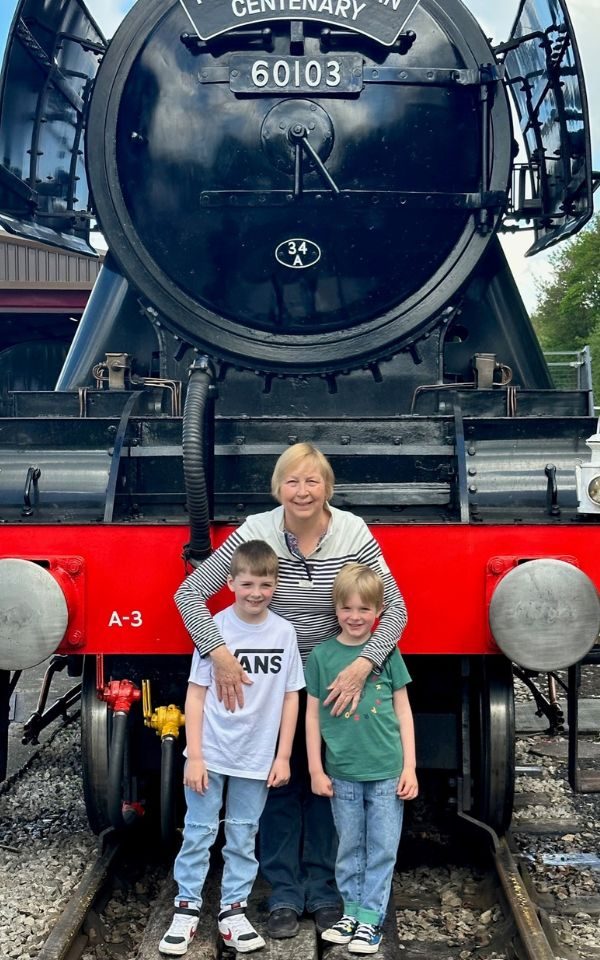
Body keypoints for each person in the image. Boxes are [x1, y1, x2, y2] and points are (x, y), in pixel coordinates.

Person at [174, 442, 408, 938]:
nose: (302, 491)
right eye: (292, 481)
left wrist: (364, 663)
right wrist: (218, 652)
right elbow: (189, 591)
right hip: (268, 681)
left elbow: (397, 608)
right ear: (277, 487)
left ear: (328, 487)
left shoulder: (352, 530)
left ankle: (325, 890)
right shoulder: (257, 531)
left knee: (330, 785)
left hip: (333, 679)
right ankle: (281, 890)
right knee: (275, 784)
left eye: (312, 481)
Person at [160, 540, 304, 956]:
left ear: (276, 584)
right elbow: (196, 693)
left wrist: (281, 755)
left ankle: (232, 910)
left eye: (264, 584)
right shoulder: (217, 628)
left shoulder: (283, 631)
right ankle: (186, 909)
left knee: (243, 835)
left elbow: (291, 695)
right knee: (199, 832)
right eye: (246, 584)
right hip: (212, 752)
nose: (255, 592)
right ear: (230, 583)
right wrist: (196, 754)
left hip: (257, 757)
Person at [305, 563, 418, 955]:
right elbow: (311, 715)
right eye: (347, 609)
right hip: (343, 771)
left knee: (383, 845)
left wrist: (410, 767)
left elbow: (403, 710)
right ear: (335, 609)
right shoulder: (321, 656)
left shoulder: (388, 653)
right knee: (349, 845)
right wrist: (315, 769)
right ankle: (351, 911)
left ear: (379, 613)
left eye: (364, 610)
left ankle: (371, 918)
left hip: (387, 769)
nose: (355, 617)